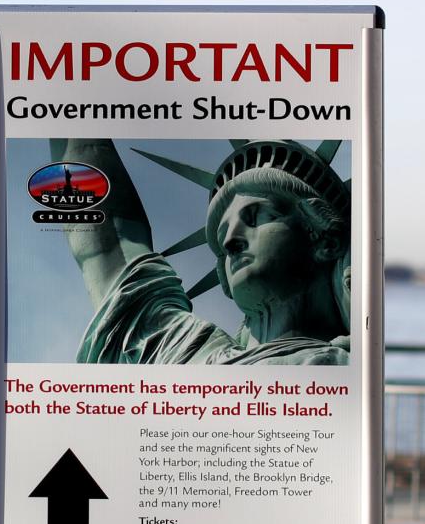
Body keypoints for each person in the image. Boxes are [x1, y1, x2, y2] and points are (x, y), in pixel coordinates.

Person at [53, 138, 351, 365]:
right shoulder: (192, 360)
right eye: (222, 236)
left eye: (258, 216)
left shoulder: (367, 367)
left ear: (327, 241)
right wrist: (68, 97)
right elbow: (111, 247)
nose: (231, 241)